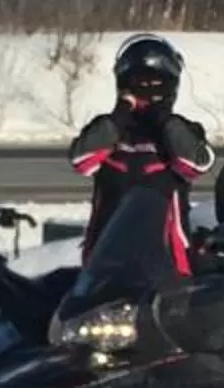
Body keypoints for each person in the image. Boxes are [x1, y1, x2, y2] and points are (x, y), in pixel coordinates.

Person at [69, 35, 214, 249]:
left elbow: (195, 164)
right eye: (140, 84)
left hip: (166, 259)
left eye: (156, 85)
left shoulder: (184, 129)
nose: (148, 91)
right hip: (107, 259)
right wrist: (119, 117)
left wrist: (165, 121)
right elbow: (82, 161)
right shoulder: (108, 128)